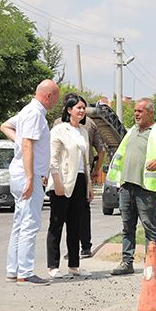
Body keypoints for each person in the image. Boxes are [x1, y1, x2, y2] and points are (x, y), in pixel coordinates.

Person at [0, 79, 60, 286]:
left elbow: (5, 126)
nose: (57, 101)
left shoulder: (27, 111)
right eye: (56, 96)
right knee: (30, 223)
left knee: (20, 221)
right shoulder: (35, 114)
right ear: (48, 96)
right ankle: (25, 271)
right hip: (28, 175)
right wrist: (31, 176)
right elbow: (27, 145)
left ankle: (13, 269)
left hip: (21, 173)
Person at [106, 98, 156, 275]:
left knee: (149, 227)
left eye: (140, 111)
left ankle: (150, 264)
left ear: (150, 113)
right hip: (127, 187)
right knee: (127, 226)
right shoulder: (132, 131)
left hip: (145, 189)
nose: (136, 114)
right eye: (135, 111)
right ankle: (126, 262)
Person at [45, 94, 94, 279]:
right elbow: (53, 158)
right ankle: (53, 265)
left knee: (76, 224)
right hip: (63, 180)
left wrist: (89, 184)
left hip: (80, 181)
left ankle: (74, 265)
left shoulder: (83, 131)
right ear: (69, 110)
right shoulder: (59, 130)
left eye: (83, 108)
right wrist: (56, 182)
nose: (81, 111)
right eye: (78, 108)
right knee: (56, 223)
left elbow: (86, 161)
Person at [54, 113, 106, 258]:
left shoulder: (57, 123)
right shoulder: (90, 123)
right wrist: (96, 170)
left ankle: (71, 252)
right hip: (83, 173)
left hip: (64, 173)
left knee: (65, 214)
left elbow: (53, 151)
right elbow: (101, 150)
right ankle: (85, 247)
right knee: (82, 212)